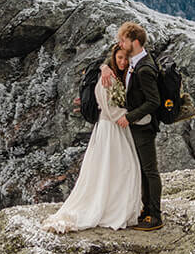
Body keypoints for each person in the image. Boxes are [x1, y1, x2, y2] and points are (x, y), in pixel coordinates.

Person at [43, 44, 142, 232]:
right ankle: (112, 208)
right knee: (119, 168)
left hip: (114, 128)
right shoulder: (108, 77)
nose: (123, 62)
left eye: (126, 59)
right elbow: (108, 108)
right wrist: (134, 115)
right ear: (114, 58)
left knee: (117, 168)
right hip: (110, 128)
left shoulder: (117, 75)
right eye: (119, 58)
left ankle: (117, 205)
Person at [115, 20, 164, 231]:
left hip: (143, 126)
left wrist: (130, 117)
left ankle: (155, 215)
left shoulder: (144, 68)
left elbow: (154, 102)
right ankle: (147, 210)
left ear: (134, 42)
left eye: (123, 40)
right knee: (144, 170)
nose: (120, 43)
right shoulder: (138, 61)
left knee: (150, 170)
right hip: (140, 125)